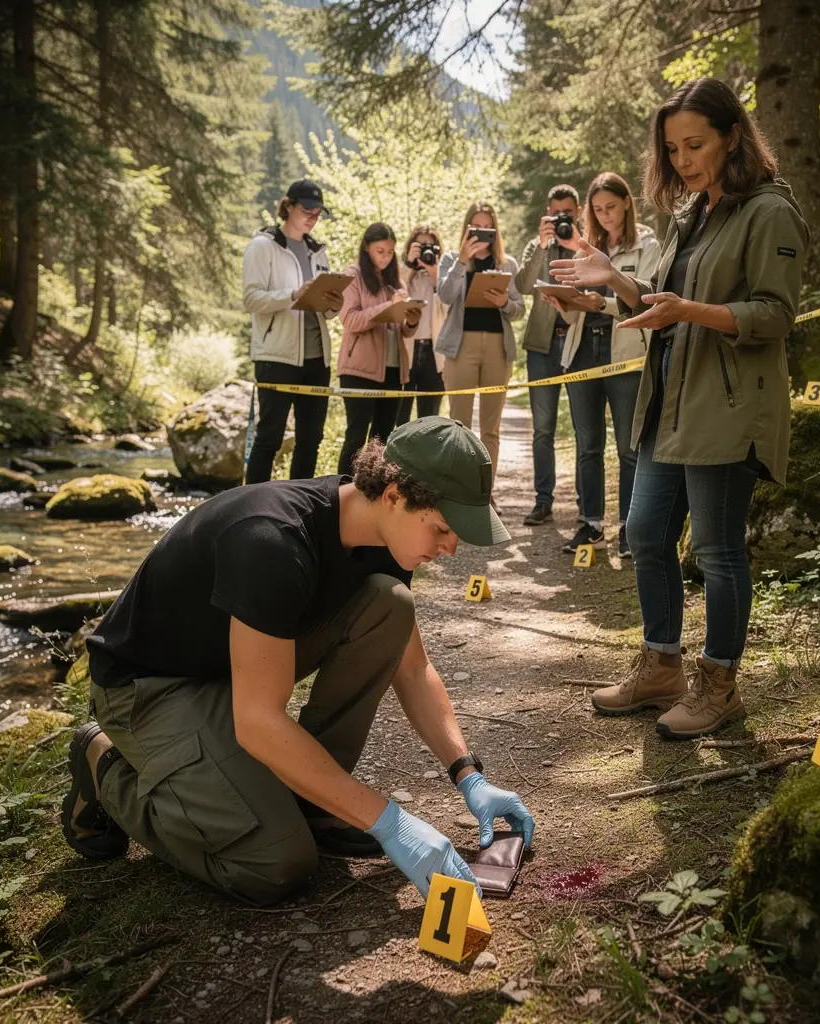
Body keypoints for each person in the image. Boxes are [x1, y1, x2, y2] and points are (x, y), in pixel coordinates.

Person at [62, 417, 536, 906]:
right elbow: (258, 721)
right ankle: (106, 768)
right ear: (394, 495)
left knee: (389, 605)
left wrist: (468, 774)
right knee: (273, 864)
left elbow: (413, 668)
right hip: (147, 688)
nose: (451, 547)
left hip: (229, 675)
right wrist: (388, 820)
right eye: (442, 527)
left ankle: (312, 800)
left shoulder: (384, 540)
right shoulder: (273, 542)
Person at [552, 77, 806, 738]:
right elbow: (662, 300)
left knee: (718, 551)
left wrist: (689, 311)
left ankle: (720, 684)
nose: (684, 159)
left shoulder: (769, 210)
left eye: (695, 144)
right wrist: (616, 280)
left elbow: (777, 316)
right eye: (673, 149)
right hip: (666, 401)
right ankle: (662, 665)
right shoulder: (692, 213)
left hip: (726, 407)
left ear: (731, 135)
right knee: (643, 533)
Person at [546, 173, 659, 558]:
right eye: (597, 209)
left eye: (611, 206)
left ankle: (630, 527)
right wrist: (565, 302)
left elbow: (646, 297)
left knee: (629, 446)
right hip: (582, 352)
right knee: (587, 445)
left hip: (625, 354)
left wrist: (602, 304)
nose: (605, 214)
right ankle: (590, 524)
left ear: (627, 202)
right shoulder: (585, 248)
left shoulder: (648, 244)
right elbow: (576, 306)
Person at [242, 180, 346, 484]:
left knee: (311, 439)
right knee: (269, 438)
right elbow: (251, 299)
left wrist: (334, 303)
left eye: (318, 212)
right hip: (277, 355)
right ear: (288, 207)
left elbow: (325, 311)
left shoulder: (318, 251)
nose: (313, 216)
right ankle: (254, 509)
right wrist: (292, 294)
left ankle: (299, 507)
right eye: (307, 210)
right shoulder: (263, 246)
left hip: (317, 358)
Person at [436, 202, 525, 502]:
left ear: (495, 230)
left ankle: (484, 494)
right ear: (467, 229)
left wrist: (503, 302)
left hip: (497, 349)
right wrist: (462, 261)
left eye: (488, 227)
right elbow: (445, 297)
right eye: (476, 227)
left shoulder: (507, 264)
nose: (482, 233)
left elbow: (518, 310)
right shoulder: (451, 259)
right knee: (458, 425)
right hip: (461, 348)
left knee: (491, 428)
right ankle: (457, 493)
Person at [515, 185, 584, 527]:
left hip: (579, 342)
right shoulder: (536, 245)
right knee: (543, 429)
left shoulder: (585, 243)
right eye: (555, 214)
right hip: (542, 346)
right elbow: (524, 286)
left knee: (585, 428)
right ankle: (543, 501)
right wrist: (542, 247)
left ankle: (588, 506)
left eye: (567, 214)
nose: (562, 220)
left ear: (578, 211)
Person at [336, 223, 421, 475]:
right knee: (356, 437)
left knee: (383, 441)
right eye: (379, 251)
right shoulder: (352, 276)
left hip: (394, 371)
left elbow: (403, 330)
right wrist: (386, 308)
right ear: (366, 248)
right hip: (358, 370)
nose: (385, 257)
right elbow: (349, 320)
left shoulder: (396, 282)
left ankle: (372, 499)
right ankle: (342, 493)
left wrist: (412, 319)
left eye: (389, 252)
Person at [395, 225, 447, 425]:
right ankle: (398, 457)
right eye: (421, 245)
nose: (426, 250)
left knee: (429, 419)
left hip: (434, 354)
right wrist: (410, 263)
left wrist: (435, 274)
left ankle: (424, 456)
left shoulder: (443, 273)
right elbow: (396, 295)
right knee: (400, 417)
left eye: (430, 246)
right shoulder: (402, 270)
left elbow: (449, 308)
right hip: (405, 350)